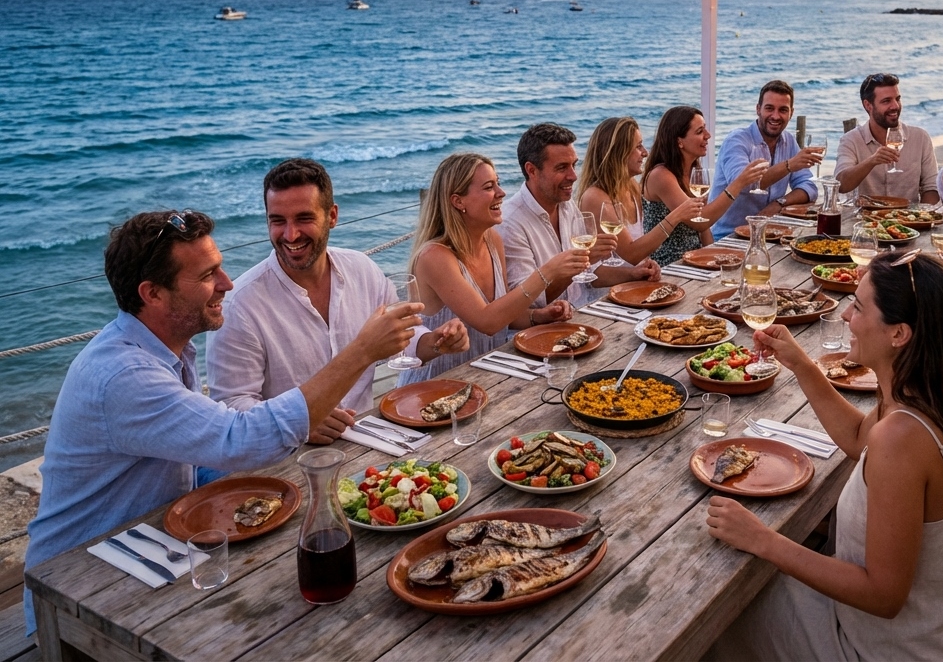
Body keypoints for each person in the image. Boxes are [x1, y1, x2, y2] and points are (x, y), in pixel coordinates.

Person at [23, 210, 420, 633]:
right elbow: (240, 441)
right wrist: (361, 352)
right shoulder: (125, 376)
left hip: (149, 549)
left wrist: (294, 443)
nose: (227, 284)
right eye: (208, 275)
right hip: (79, 589)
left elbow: (207, 453)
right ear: (153, 294)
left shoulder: (161, 350)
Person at [706, 251, 943, 660]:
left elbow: (883, 595)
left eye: (859, 307)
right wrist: (800, 363)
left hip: (895, 650)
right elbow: (859, 437)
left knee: (719, 608)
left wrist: (763, 540)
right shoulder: (933, 391)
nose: (846, 315)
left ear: (899, 334)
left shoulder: (903, 437)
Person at [207, 159, 468, 438]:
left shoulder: (362, 269)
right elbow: (231, 410)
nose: (290, 234)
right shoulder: (240, 305)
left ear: (332, 216)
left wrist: (436, 342)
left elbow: (402, 339)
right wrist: (299, 422)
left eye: (304, 218)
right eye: (278, 221)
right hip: (287, 454)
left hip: (367, 436)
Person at [411, 153, 588, 380]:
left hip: (487, 374)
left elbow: (504, 315)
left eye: (498, 183)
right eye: (488, 187)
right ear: (458, 201)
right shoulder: (434, 257)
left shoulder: (493, 240)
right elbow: (488, 322)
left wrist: (539, 316)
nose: (501, 193)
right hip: (439, 382)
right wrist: (547, 273)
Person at [495, 123, 659, 307]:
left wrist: (634, 273)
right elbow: (527, 301)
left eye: (574, 165)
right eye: (562, 167)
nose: (573, 176)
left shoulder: (567, 206)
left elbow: (590, 276)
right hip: (553, 321)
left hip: (586, 309)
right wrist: (580, 263)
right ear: (532, 170)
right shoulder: (510, 224)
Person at [641, 106, 767, 265]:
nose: (708, 135)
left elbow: (703, 229)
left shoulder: (693, 171)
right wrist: (738, 183)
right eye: (700, 131)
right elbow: (700, 222)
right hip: (669, 264)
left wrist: (713, 258)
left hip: (695, 259)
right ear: (679, 141)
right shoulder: (661, 176)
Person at [575, 117, 706, 264]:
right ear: (619, 153)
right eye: (638, 146)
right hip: (616, 278)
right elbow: (631, 254)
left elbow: (642, 250)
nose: (645, 153)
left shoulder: (632, 187)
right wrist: (676, 216)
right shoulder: (595, 197)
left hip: (637, 276)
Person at [710, 80, 821, 239]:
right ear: (758, 109)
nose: (775, 116)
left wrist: (779, 203)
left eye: (783, 110)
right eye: (769, 108)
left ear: (791, 113)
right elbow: (742, 185)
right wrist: (789, 165)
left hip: (770, 233)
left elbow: (809, 186)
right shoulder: (736, 141)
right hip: (728, 236)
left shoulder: (788, 140)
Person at [835, 73, 940, 204]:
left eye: (897, 99)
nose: (895, 106)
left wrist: (922, 213)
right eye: (886, 101)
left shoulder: (920, 138)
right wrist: (871, 161)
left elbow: (932, 187)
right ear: (868, 105)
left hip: (909, 215)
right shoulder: (851, 140)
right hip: (865, 216)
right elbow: (840, 185)